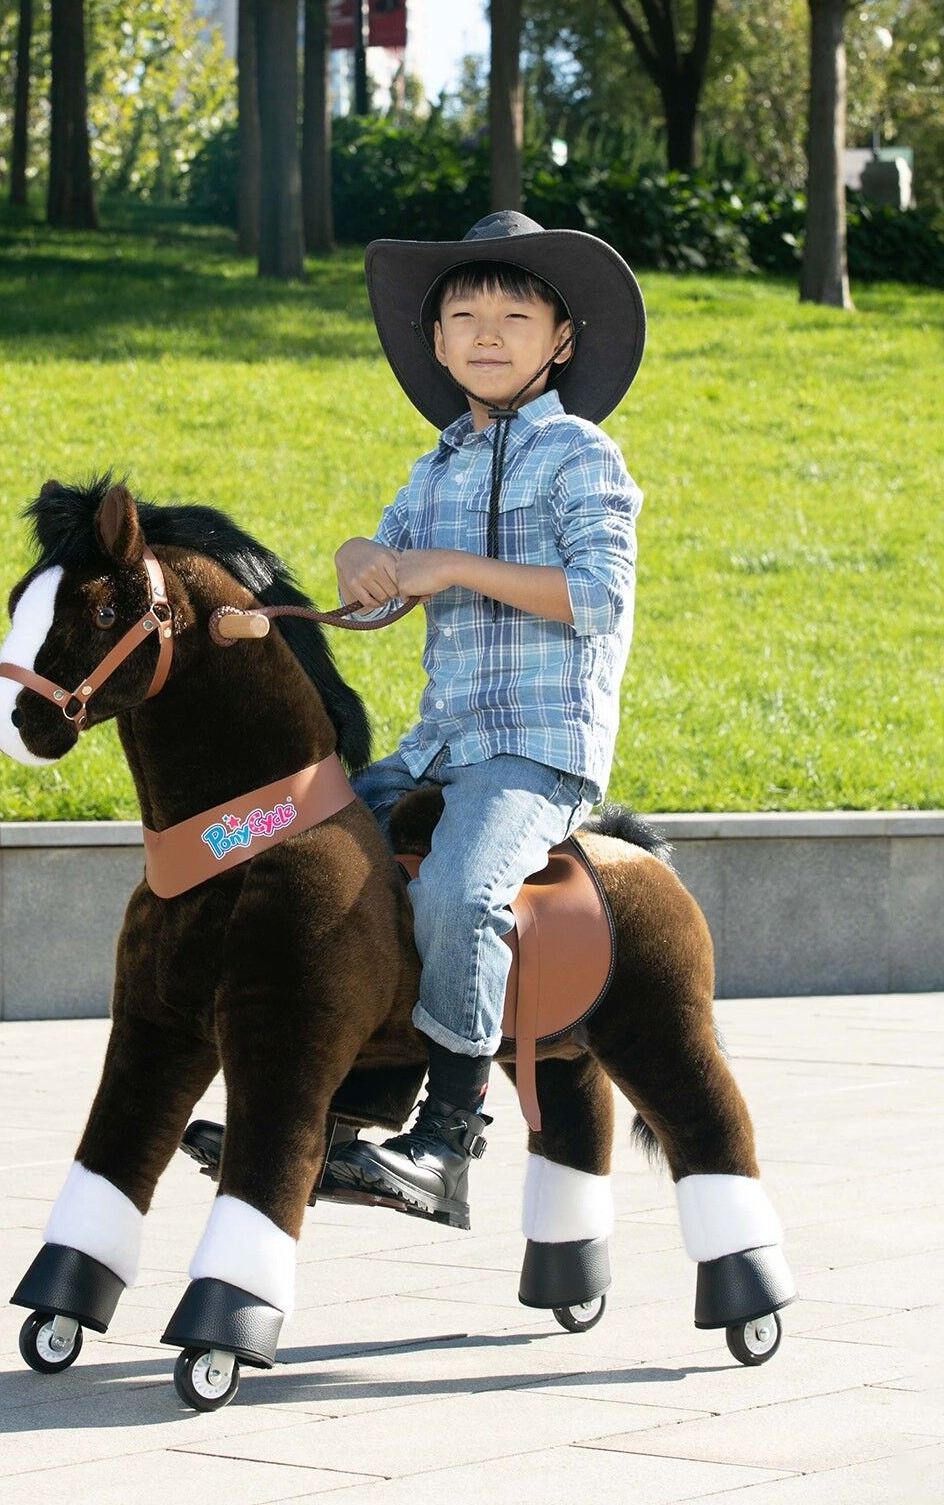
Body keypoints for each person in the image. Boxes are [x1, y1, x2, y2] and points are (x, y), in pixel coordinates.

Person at [317, 209, 647, 1229]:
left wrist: (454, 567)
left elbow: (598, 597)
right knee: (311, 856)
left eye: (515, 312)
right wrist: (351, 561)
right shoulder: (436, 465)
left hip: (535, 750)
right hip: (437, 744)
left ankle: (446, 1138)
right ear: (436, 342)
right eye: (465, 314)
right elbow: (378, 594)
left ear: (561, 340)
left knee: (461, 890)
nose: (489, 330)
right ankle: (345, 1100)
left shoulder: (582, 456)